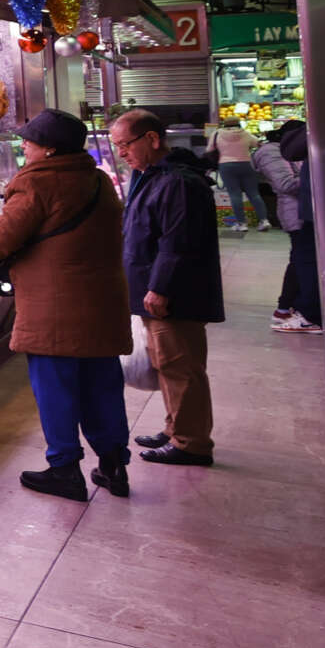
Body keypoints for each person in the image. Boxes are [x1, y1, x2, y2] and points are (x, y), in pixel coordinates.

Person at [0, 110, 133, 501]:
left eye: (29, 141)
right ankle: (114, 465)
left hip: (55, 310)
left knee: (56, 390)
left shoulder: (38, 184)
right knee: (102, 387)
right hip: (102, 304)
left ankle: (64, 469)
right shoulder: (97, 179)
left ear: (48, 149)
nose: (23, 146)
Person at [113, 108, 224, 466]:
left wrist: (159, 288)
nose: (121, 153)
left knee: (180, 367)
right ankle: (176, 427)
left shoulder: (176, 181)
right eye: (117, 146)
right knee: (168, 365)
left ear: (152, 139)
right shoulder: (149, 175)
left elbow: (178, 241)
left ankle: (190, 443)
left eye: (125, 144)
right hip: (155, 290)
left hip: (174, 295)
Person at [255, 119, 323, 334]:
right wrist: (319, 176)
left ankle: (286, 308)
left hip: (309, 212)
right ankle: (300, 311)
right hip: (298, 215)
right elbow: (285, 184)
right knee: (304, 262)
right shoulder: (270, 153)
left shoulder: (283, 150)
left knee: (300, 262)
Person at [208, 119, 265, 231]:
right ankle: (264, 221)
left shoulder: (217, 133)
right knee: (254, 193)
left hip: (226, 165)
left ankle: (241, 224)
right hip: (246, 164)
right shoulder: (245, 133)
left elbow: (209, 149)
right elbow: (258, 144)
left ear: (224, 124)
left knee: (235, 194)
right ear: (239, 124)